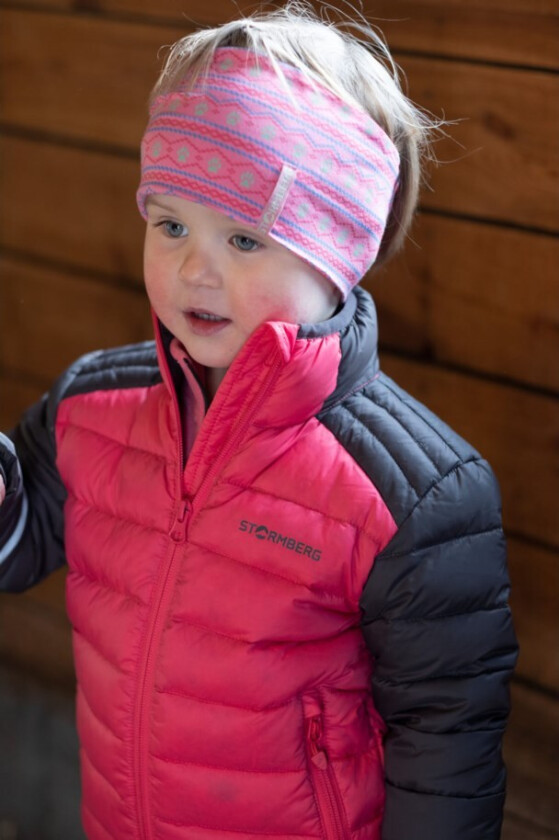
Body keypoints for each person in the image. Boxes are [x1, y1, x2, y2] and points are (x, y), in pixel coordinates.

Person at [0, 4, 518, 839]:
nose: (194, 267)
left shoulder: (414, 494)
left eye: (245, 238)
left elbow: (446, 742)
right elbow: (19, 541)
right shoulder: (91, 409)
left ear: (337, 254)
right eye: (170, 224)